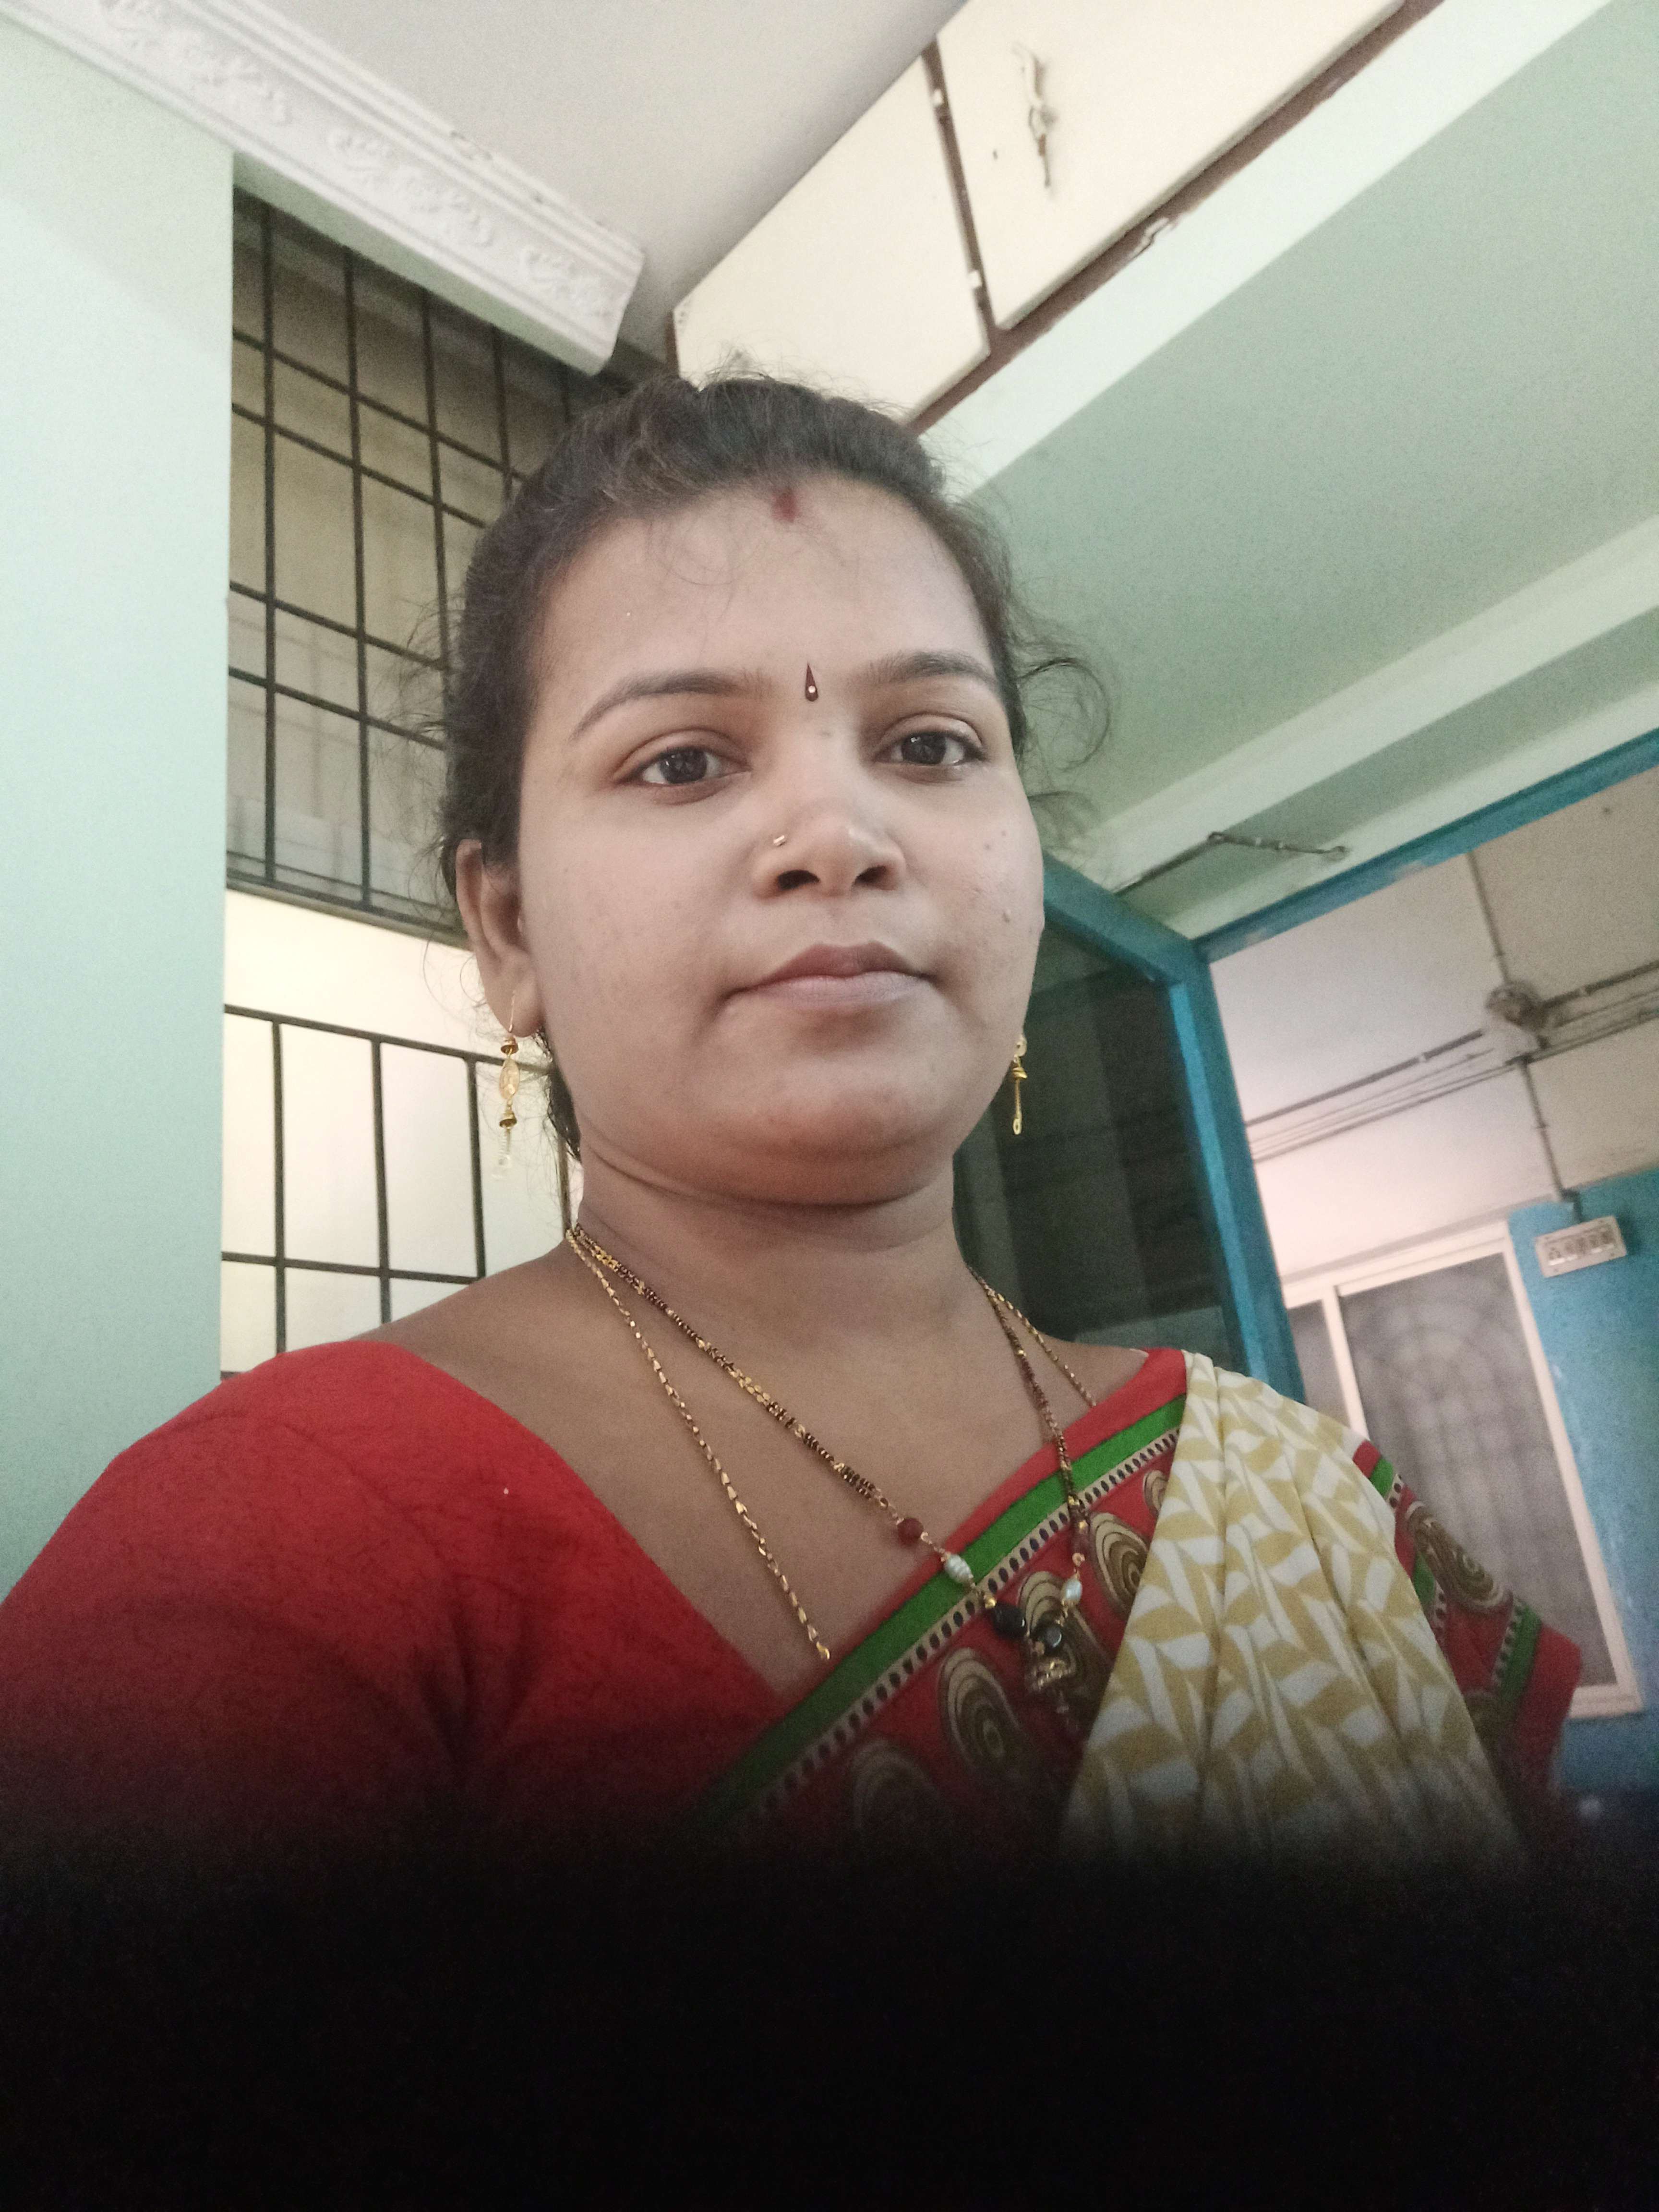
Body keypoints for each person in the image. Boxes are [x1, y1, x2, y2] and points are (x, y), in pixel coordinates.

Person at [0, 376, 1578, 1869]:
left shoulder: (1304, 1499)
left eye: (929, 745)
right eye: (683, 761)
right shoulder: (266, 1550)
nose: (839, 833)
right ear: (508, 930)